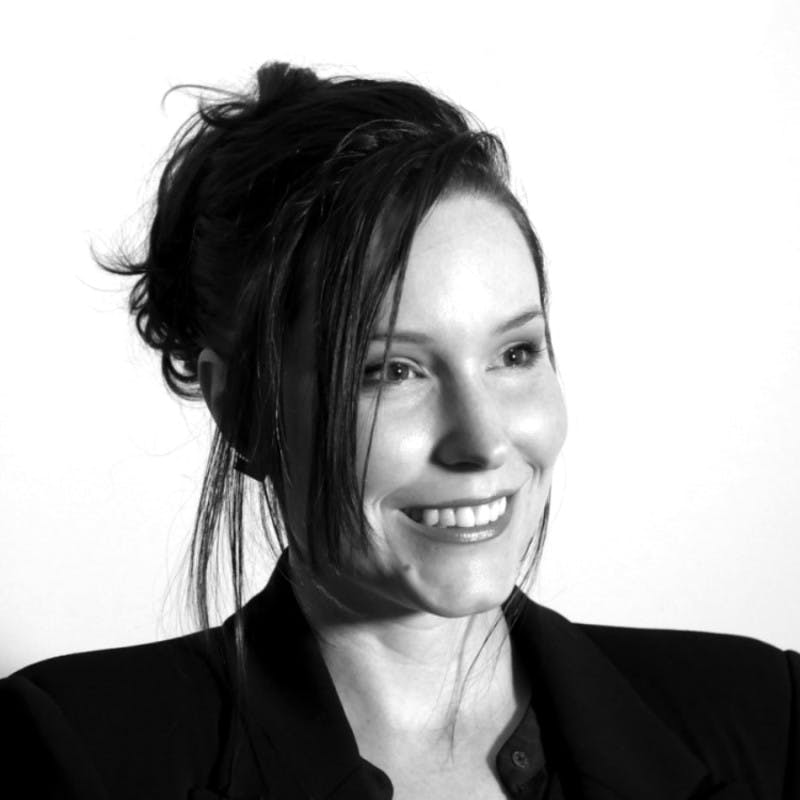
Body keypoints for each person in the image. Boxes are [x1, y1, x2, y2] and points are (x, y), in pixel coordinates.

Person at [1, 61, 797, 800]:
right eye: (392, 370)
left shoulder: (769, 719)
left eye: (515, 353)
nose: (483, 442)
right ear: (241, 407)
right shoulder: (74, 756)